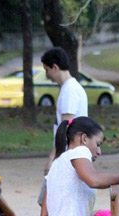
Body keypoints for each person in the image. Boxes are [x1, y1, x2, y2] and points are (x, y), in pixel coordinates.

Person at [41, 46, 88, 175]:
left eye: (47, 69)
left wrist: (52, 158)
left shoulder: (70, 90)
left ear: (55, 67)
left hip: (69, 155)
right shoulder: (69, 88)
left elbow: (65, 127)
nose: (47, 75)